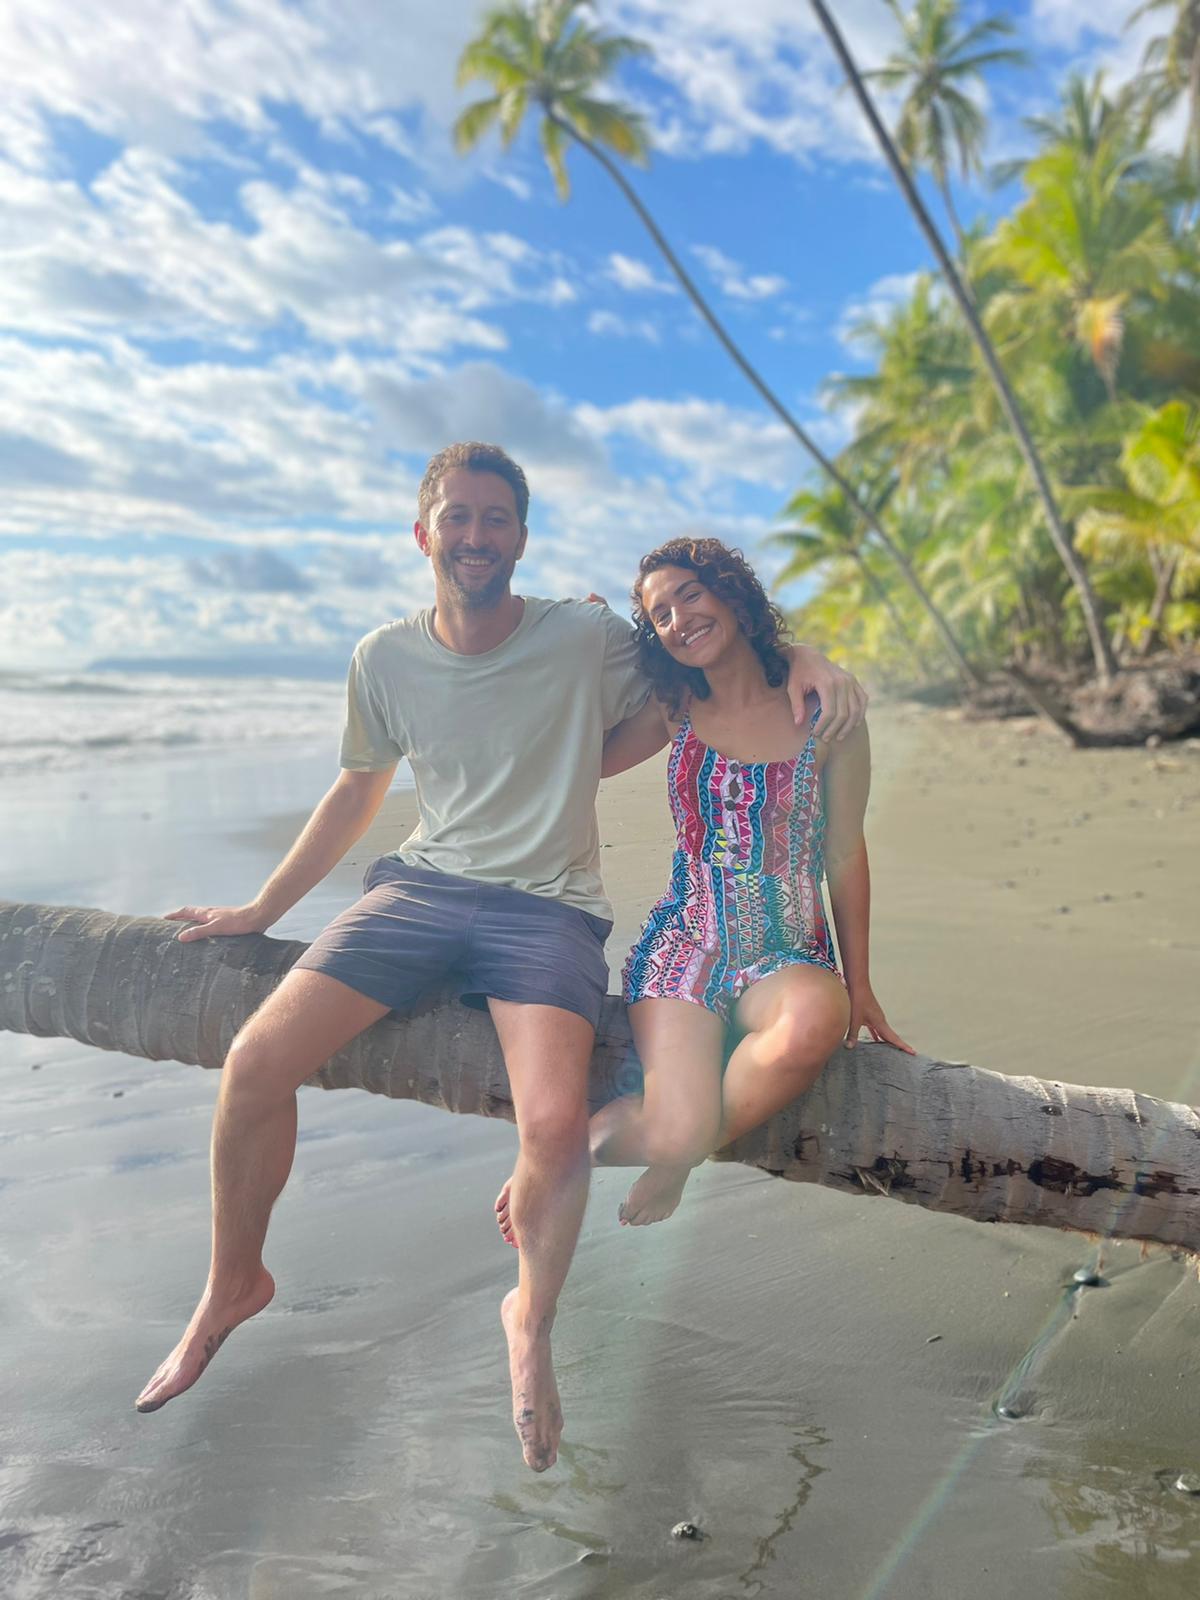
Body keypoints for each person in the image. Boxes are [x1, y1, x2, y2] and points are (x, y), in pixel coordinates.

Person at [132, 444, 867, 1473]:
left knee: (557, 1124)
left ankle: (530, 1322)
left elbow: (704, 657)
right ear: (423, 530)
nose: (477, 537)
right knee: (257, 1062)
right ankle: (231, 1283)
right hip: (418, 890)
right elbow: (356, 790)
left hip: (547, 910)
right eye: (459, 518)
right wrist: (263, 905)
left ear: (522, 538)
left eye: (497, 520)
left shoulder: (584, 633)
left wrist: (814, 666)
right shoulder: (382, 657)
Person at [586, 537, 911, 1227]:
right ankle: (626, 1144)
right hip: (688, 944)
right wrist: (583, 650)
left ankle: (677, 1156)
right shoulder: (670, 708)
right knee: (619, 1138)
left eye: (690, 596)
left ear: (730, 593)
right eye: (660, 614)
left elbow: (845, 854)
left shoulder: (828, 716)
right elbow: (584, 760)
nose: (678, 620)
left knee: (810, 1026)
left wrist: (862, 985)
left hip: (787, 952)